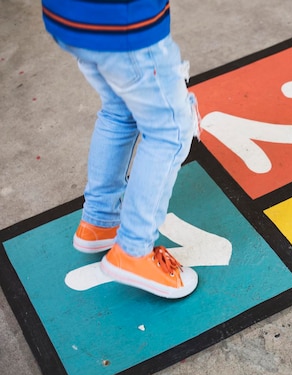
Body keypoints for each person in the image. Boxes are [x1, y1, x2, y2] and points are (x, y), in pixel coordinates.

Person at [42, 0, 198, 298]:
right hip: (124, 26)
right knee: (170, 133)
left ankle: (99, 222)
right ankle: (133, 250)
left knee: (119, 110)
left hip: (69, 18)